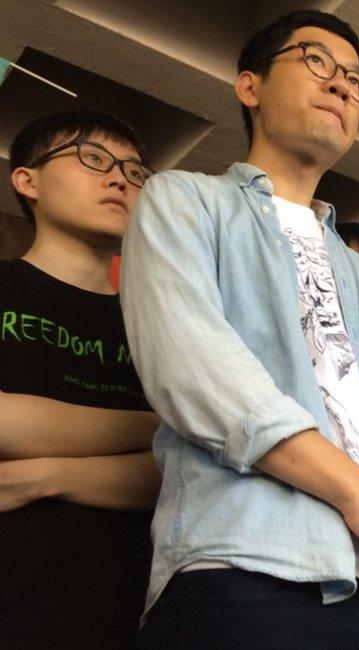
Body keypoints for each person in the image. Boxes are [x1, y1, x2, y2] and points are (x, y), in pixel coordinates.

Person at [121, 11, 359, 649]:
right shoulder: (183, 199)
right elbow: (194, 370)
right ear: (249, 86)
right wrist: (357, 492)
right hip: (246, 565)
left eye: (356, 81)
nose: (341, 86)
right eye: (316, 62)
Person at [0, 110, 160, 649]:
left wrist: (41, 474)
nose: (119, 178)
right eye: (93, 159)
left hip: (129, 609)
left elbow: (185, 470)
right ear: (28, 180)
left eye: (135, 172)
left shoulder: (161, 323)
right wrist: (161, 426)